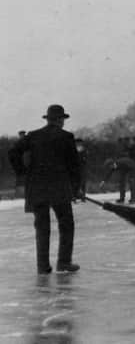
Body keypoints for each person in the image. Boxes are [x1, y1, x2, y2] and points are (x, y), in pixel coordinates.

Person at [8, 105, 81, 274]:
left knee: (42, 227)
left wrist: (22, 172)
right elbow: (74, 166)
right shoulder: (66, 137)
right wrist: (75, 188)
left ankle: (42, 266)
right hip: (59, 188)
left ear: (48, 119)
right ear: (60, 119)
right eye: (63, 119)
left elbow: (13, 152)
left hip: (37, 188)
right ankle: (63, 262)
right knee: (66, 224)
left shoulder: (33, 136)